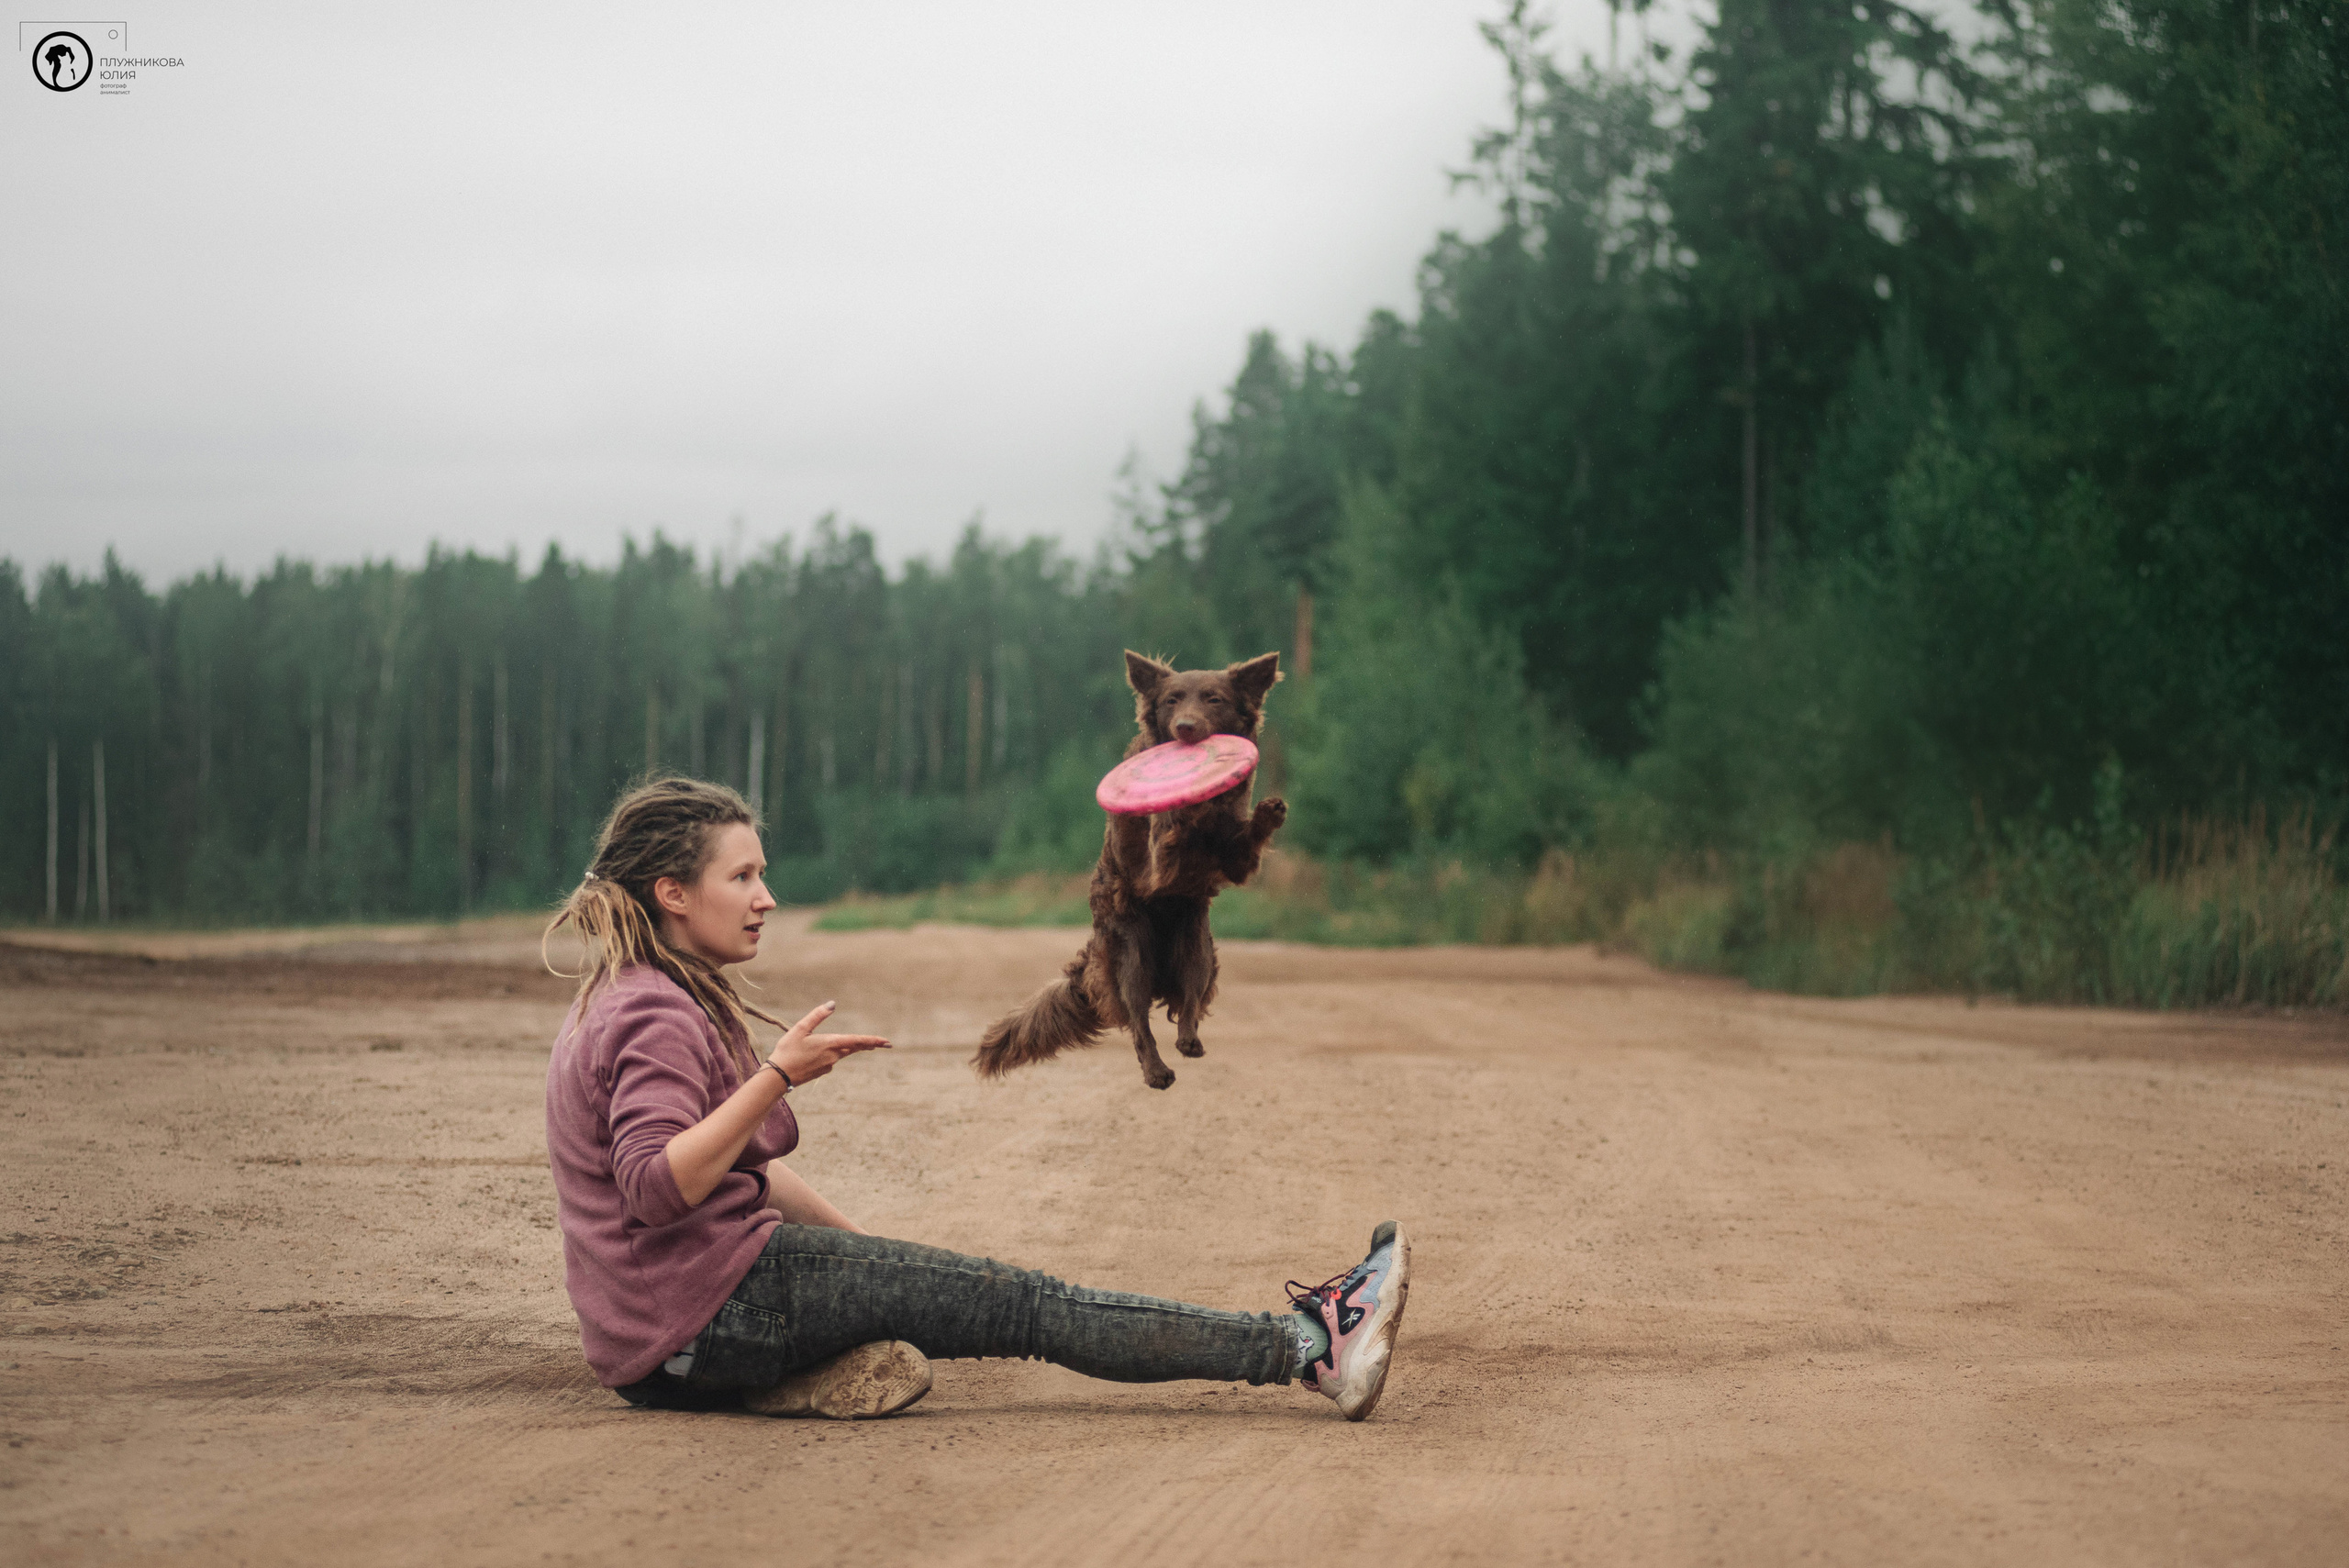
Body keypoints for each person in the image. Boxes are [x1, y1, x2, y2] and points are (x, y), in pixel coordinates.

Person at [544, 777, 1409, 1421]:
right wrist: (777, 1075)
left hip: (663, 1344)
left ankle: (784, 1379)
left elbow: (751, 1183)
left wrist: (881, 1267)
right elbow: (659, 1188)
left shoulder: (640, 992)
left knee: (939, 1288)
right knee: (1027, 1303)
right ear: (672, 892)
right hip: (712, 1314)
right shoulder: (652, 1012)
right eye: (742, 878)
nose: (766, 897)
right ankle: (1312, 1344)